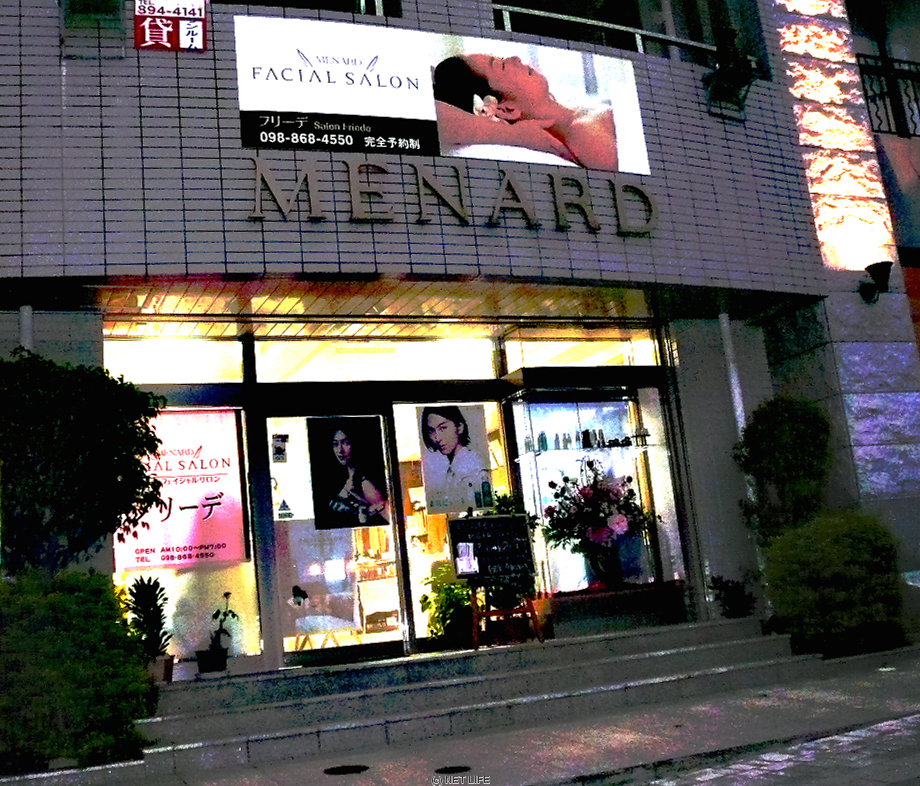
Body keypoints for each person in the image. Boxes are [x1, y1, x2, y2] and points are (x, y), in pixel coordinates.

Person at [433, 54, 617, 171]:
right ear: (507, 109)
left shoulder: (581, 110)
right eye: (502, 66)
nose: (516, 59)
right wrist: (514, 134)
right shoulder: (584, 136)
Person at [421, 406, 487, 514]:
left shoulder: (471, 464)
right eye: (432, 431)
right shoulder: (453, 467)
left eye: (443, 428)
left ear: (459, 427)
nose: (437, 438)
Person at [325, 423, 389, 529]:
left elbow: (387, 516)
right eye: (335, 444)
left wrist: (364, 513)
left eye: (346, 443)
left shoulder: (365, 483)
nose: (340, 450)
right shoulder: (343, 479)